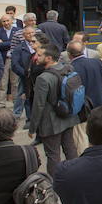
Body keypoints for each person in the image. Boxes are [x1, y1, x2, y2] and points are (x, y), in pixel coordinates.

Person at [29, 44, 79, 175]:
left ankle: (55, 182)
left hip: (51, 122)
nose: (36, 57)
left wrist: (33, 127)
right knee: (70, 148)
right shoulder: (68, 68)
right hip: (68, 116)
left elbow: (38, 105)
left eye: (39, 55)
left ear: (49, 58)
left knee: (53, 154)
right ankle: (76, 175)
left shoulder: (43, 78)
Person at [69, 40, 102, 156]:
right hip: (100, 102)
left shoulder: (70, 68)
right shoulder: (96, 62)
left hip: (82, 107)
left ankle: (87, 157)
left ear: (69, 54)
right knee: (101, 132)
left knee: (82, 135)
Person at [10, 26, 37, 121]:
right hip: (24, 77)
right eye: (28, 33)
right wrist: (25, 74)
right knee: (23, 94)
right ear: (23, 35)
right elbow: (14, 64)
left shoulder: (39, 46)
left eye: (32, 33)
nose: (30, 35)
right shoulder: (19, 48)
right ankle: (18, 114)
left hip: (37, 76)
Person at [0, 15, 20, 106]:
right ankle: (0, 103)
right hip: (3, 60)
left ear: (12, 20)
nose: (6, 23)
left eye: (7, 21)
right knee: (2, 83)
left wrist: (4, 43)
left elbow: (19, 44)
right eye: (4, 21)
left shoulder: (18, 30)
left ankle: (16, 102)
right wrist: (12, 42)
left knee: (15, 82)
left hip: (15, 59)